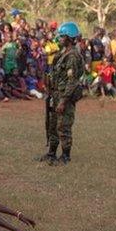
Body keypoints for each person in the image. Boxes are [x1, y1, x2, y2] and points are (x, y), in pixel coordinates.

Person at [41, 22, 86, 165]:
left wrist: (63, 100)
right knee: (53, 125)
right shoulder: (62, 53)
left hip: (64, 96)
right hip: (55, 93)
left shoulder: (72, 56)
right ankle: (51, 153)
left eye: (62, 36)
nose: (59, 39)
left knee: (63, 126)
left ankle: (65, 156)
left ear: (69, 38)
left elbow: (72, 81)